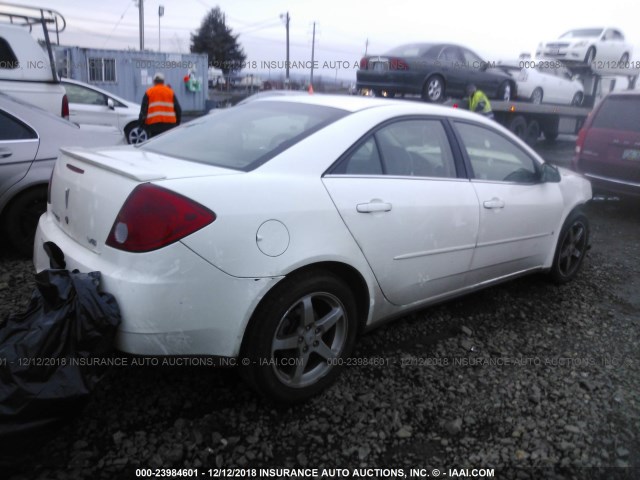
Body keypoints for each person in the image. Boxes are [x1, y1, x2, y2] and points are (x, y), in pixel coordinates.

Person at [139, 73, 182, 138]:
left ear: (154, 82)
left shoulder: (149, 92)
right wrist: (177, 123)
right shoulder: (170, 92)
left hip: (154, 126)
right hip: (170, 125)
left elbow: (143, 111)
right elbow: (178, 109)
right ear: (163, 81)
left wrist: (141, 125)